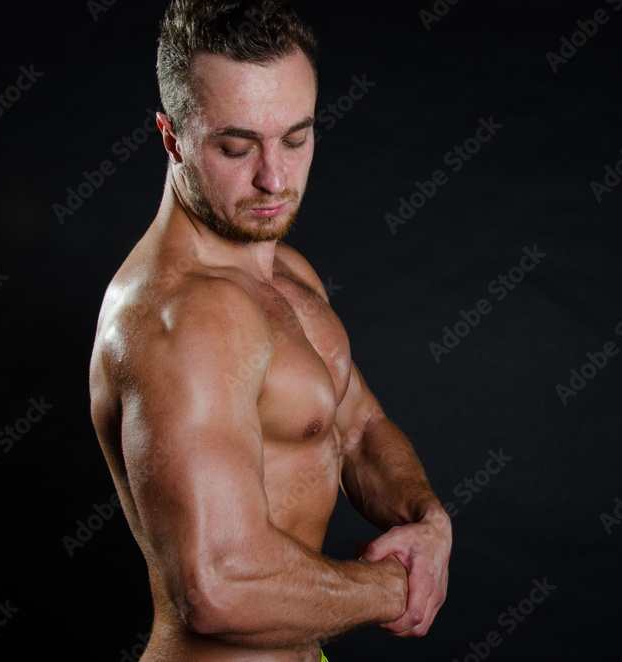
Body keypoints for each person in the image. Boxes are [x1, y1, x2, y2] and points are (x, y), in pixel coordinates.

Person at [88, 1, 452, 659]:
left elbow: (357, 427)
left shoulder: (286, 272)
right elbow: (218, 587)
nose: (274, 179)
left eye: (296, 138)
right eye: (236, 146)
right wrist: (396, 589)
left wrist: (428, 523)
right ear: (171, 138)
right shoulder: (180, 317)